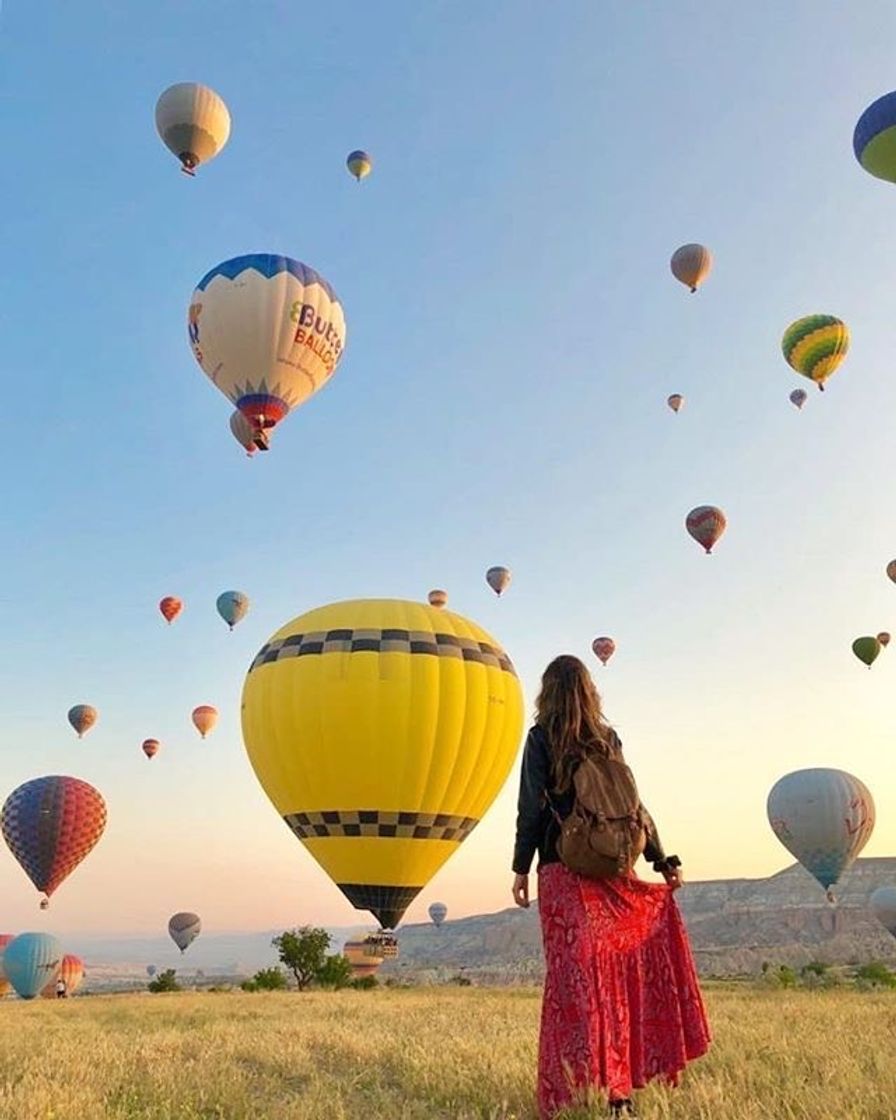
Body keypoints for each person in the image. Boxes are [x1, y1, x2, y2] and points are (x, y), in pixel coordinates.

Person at [512, 655, 710, 1119]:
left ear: (547, 691)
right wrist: (661, 859)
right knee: (614, 984)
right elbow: (636, 807)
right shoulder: (608, 738)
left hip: (564, 871)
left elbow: (530, 809)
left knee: (573, 987)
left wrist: (521, 866)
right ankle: (618, 1093)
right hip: (615, 872)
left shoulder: (541, 738)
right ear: (589, 690)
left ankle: (575, 1090)